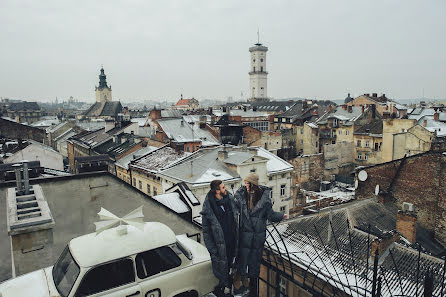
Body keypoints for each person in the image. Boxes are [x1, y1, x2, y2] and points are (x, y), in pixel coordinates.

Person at [234, 173, 285, 297]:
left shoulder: (264, 199)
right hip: (245, 234)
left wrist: (281, 216)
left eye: (247, 183)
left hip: (257, 236)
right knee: (242, 258)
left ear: (253, 184)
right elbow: (233, 207)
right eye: (245, 183)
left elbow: (270, 215)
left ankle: (252, 288)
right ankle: (240, 282)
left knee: (254, 262)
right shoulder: (241, 196)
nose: (245, 185)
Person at [201, 180, 239, 297]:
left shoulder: (229, 200)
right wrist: (213, 250)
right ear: (217, 191)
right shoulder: (209, 207)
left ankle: (231, 289)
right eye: (223, 187)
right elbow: (206, 232)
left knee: (234, 269)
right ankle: (222, 290)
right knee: (222, 273)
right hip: (220, 248)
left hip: (233, 243)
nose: (225, 189)